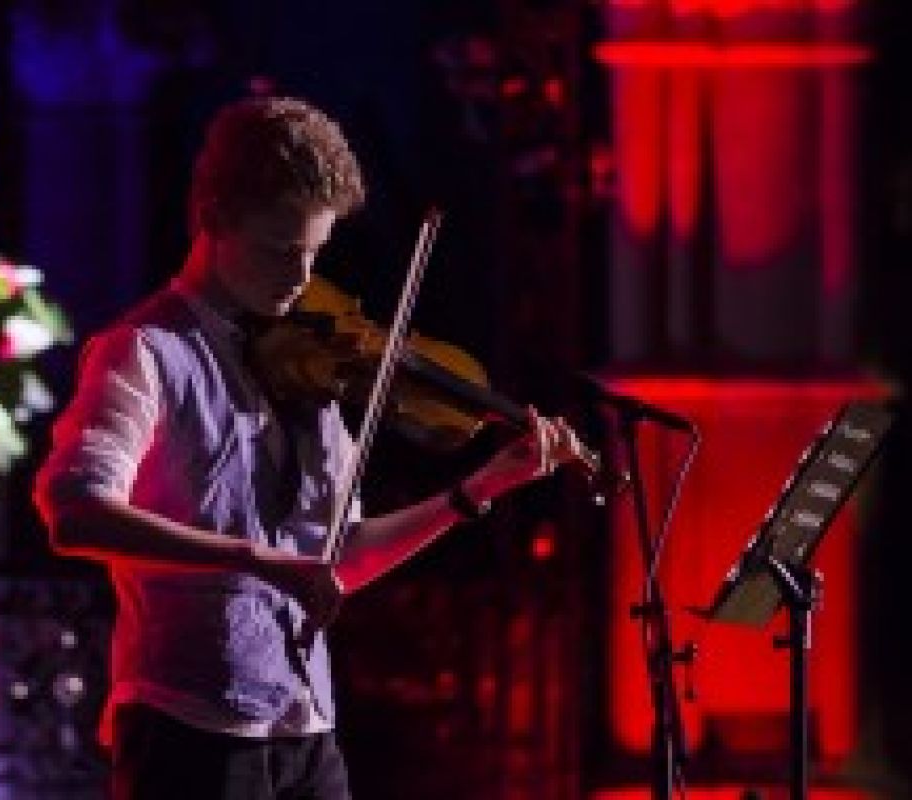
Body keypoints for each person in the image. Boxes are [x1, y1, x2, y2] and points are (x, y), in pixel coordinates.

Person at [33, 95, 587, 800]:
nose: (300, 278)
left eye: (315, 253)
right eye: (279, 251)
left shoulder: (307, 366)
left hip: (306, 726)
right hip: (189, 726)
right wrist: (256, 559)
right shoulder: (144, 352)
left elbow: (340, 557)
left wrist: (478, 490)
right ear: (214, 220)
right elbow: (74, 512)